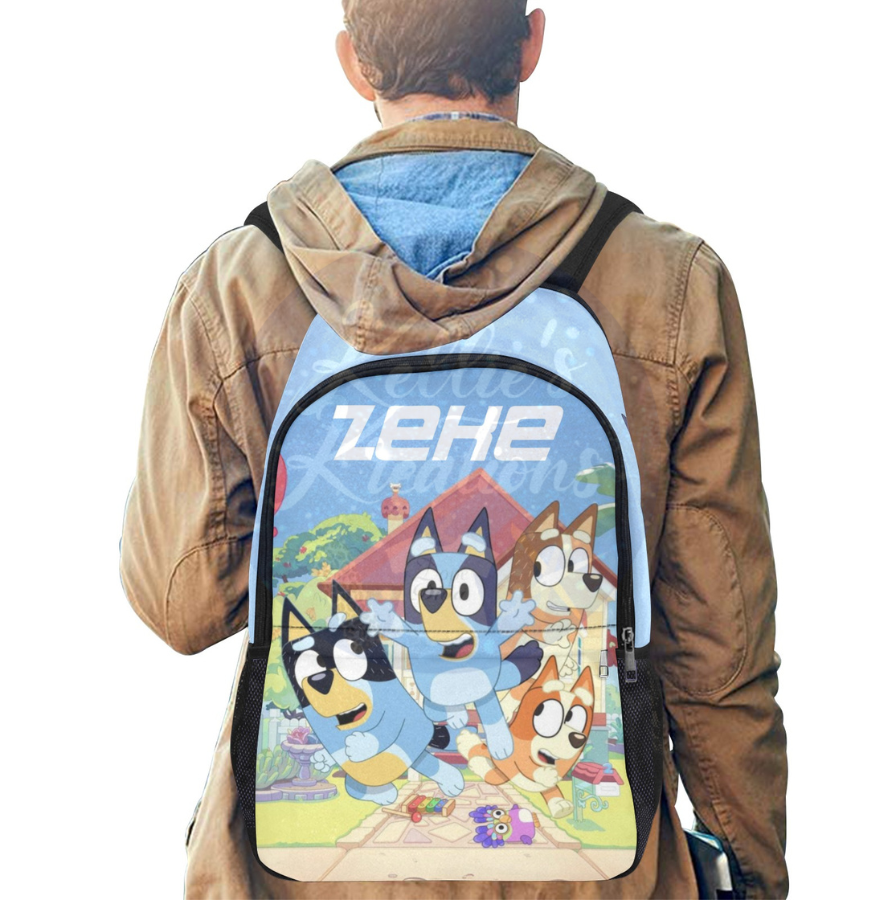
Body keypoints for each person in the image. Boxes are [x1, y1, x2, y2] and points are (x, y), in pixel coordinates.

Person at [119, 1, 787, 897]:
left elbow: (180, 604)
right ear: (531, 42)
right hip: (594, 874)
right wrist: (751, 866)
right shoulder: (665, 282)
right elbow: (721, 653)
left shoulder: (237, 284)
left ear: (355, 62)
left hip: (295, 877)